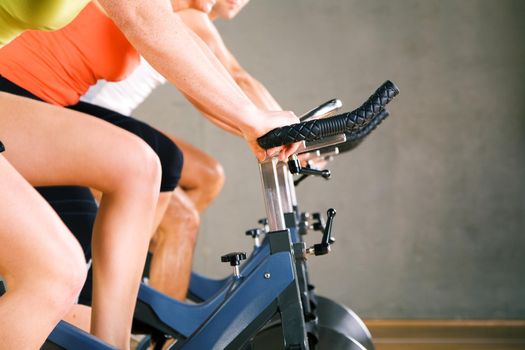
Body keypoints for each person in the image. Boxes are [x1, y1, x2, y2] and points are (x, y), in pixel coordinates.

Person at [0, 0, 299, 348]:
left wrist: (262, 124)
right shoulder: (170, 14)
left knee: (146, 165)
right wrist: (253, 121)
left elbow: (227, 80)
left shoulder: (182, 14)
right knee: (59, 274)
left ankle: (114, 342)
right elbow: (147, 22)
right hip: (19, 94)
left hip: (40, 105)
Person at [79, 0, 283, 300]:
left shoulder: (196, 18)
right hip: (84, 114)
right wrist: (287, 131)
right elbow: (236, 78)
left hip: (110, 117)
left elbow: (235, 82)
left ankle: (137, 261)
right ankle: (160, 338)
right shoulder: (188, 15)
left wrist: (293, 129)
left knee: (208, 175)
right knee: (181, 222)